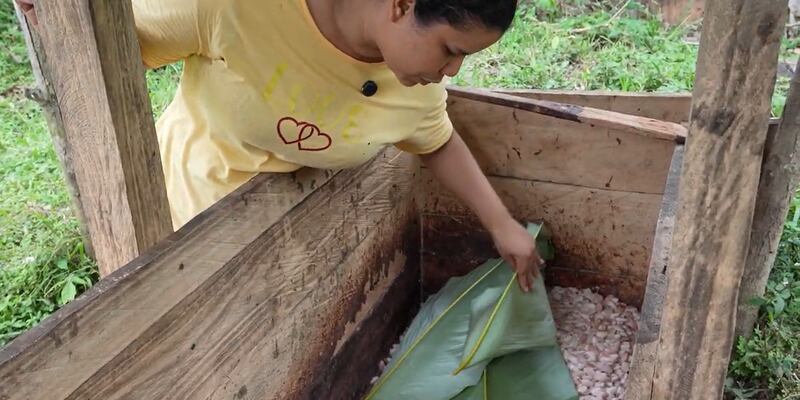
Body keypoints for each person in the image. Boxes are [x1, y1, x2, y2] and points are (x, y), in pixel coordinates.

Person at [14, 0, 544, 292]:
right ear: (402, 4)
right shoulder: (238, 8)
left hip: (294, 243)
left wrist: (502, 227)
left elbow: (436, 142)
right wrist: (60, 18)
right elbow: (109, 43)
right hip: (191, 219)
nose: (451, 71)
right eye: (450, 50)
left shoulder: (415, 89)